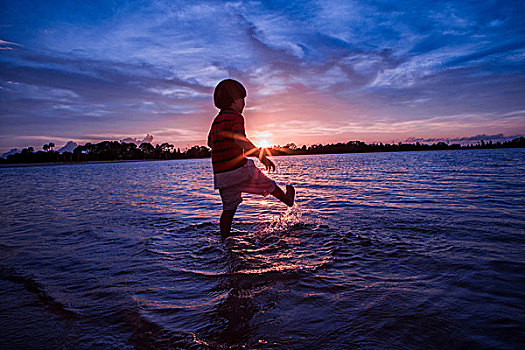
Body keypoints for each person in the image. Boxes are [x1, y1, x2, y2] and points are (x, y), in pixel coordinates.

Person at [207, 79, 295, 237]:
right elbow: (240, 139)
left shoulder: (216, 121)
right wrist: (261, 156)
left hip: (221, 176)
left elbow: (209, 142)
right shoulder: (236, 118)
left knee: (228, 210)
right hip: (238, 169)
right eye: (243, 100)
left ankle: (224, 240)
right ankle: (287, 200)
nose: (244, 104)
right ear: (235, 99)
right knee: (269, 184)